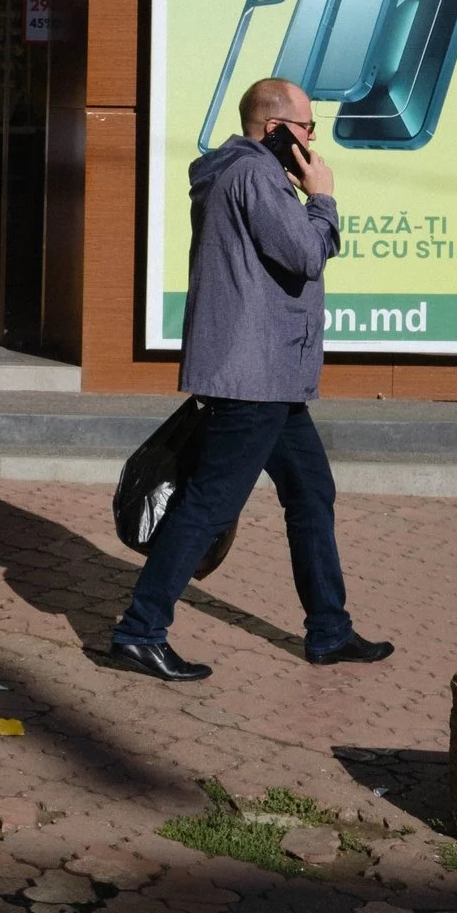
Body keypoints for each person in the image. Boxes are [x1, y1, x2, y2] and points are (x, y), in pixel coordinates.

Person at [106, 76, 393, 682]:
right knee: (207, 506)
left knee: (311, 493)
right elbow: (308, 255)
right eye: (308, 127)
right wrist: (322, 197)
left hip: (270, 376)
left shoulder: (232, 172)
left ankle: (329, 631)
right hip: (254, 375)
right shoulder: (257, 175)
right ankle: (139, 631)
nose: (314, 141)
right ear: (275, 128)